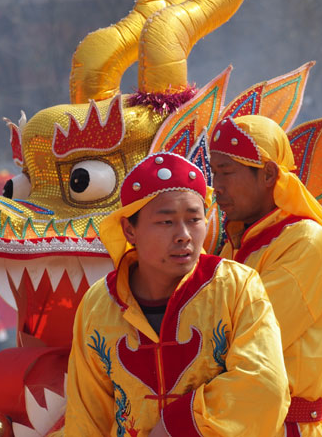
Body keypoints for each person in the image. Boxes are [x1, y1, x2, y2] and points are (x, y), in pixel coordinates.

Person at [61, 153, 290, 436]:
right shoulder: (99, 304)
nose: (184, 235)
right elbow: (87, 417)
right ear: (129, 230)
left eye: (194, 219)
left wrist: (176, 427)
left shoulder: (235, 287)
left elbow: (264, 385)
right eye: (166, 222)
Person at [210, 115, 322, 436]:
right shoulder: (233, 245)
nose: (216, 185)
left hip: (292, 427)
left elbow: (245, 339)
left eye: (226, 172)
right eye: (214, 172)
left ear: (269, 174)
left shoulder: (307, 244)